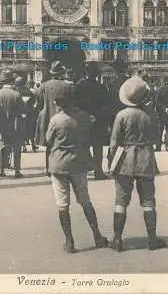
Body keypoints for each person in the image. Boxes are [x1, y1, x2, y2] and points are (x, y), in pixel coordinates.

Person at [46, 82, 108, 253]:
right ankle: (97, 236)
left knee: (62, 204)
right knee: (85, 200)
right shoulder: (85, 117)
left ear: (59, 103)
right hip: (79, 163)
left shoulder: (56, 120)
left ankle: (69, 241)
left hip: (58, 164)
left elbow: (48, 140)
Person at [108, 76, 166, 252]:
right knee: (148, 201)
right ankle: (152, 239)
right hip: (146, 159)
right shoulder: (151, 114)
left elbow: (113, 144)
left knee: (120, 201)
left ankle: (117, 240)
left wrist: (112, 162)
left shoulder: (121, 115)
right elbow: (157, 138)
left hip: (125, 160)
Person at [74, 62, 113, 180]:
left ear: (85, 73)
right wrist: (96, 116)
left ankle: (83, 171)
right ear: (97, 74)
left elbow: (75, 105)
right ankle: (98, 172)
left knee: (83, 147)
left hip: (82, 122)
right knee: (98, 148)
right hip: (98, 122)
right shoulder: (101, 88)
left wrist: (84, 116)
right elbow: (107, 106)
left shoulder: (78, 87)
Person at [35, 61, 67, 176]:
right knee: (62, 143)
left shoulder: (44, 85)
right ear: (62, 73)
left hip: (47, 118)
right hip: (64, 117)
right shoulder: (67, 85)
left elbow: (38, 102)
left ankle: (49, 168)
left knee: (49, 144)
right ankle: (61, 167)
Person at [0, 70, 25, 178]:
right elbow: (22, 110)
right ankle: (17, 171)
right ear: (12, 82)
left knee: (2, 147)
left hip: (2, 125)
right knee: (16, 148)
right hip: (15, 125)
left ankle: (1, 170)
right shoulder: (17, 94)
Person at [15, 77, 39, 153]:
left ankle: (23, 146)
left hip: (19, 113)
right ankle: (33, 146)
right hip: (29, 113)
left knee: (20, 130)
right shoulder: (28, 91)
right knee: (30, 129)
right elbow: (33, 102)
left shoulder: (15, 90)